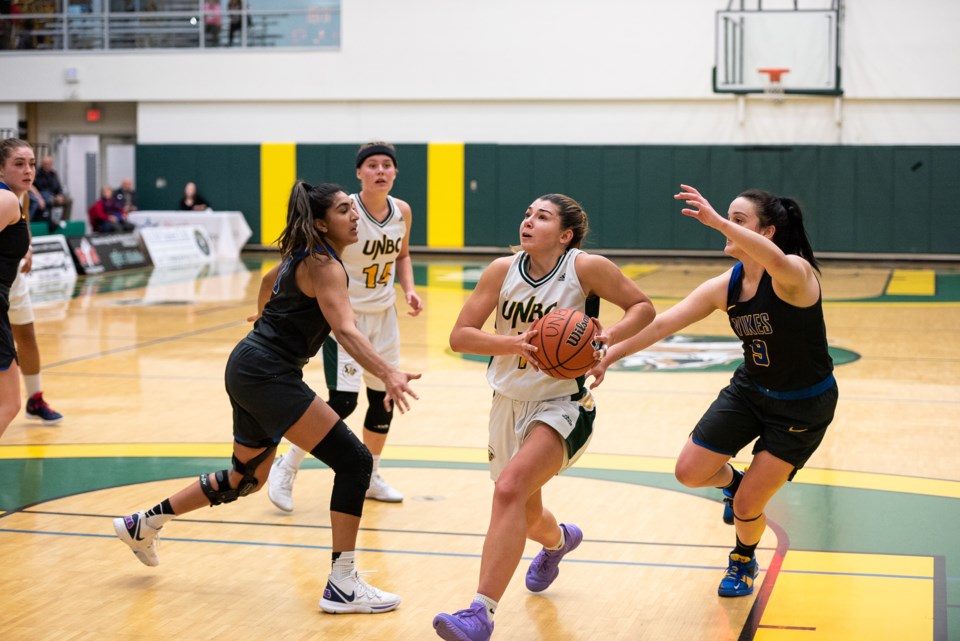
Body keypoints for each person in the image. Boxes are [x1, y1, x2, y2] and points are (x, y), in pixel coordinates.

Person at [114, 181, 420, 614]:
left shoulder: (303, 255)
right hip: (266, 372)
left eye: (352, 209)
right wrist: (388, 371)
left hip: (248, 366)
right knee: (355, 462)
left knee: (246, 479)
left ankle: (143, 523)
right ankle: (343, 583)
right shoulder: (325, 265)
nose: (354, 216)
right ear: (319, 222)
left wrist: (263, 312)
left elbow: (268, 279)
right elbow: (347, 330)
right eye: (342, 210)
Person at [589, 184, 837, 599]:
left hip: (801, 407)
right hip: (750, 391)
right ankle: (734, 481)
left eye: (738, 222)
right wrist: (609, 356)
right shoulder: (726, 285)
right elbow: (662, 325)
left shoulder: (795, 274)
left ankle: (743, 559)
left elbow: (775, 260)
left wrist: (716, 220)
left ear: (767, 232)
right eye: (727, 219)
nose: (726, 228)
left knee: (745, 509)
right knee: (689, 471)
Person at [432, 194, 655, 640]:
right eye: (528, 213)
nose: (528, 221)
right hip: (507, 401)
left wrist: (603, 340)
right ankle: (558, 542)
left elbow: (643, 308)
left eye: (542, 216)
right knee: (526, 512)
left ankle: (480, 613)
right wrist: (513, 343)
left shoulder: (585, 268)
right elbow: (460, 336)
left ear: (565, 234)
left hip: (563, 404)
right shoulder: (502, 270)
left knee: (509, 489)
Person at [268, 142, 423, 509]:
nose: (381, 171)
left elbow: (402, 254)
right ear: (359, 173)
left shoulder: (402, 211)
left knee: (384, 397)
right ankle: (287, 464)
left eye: (388, 165)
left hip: (384, 316)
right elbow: (303, 260)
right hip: (346, 319)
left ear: (396, 172)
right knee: (343, 400)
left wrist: (410, 289)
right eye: (372, 165)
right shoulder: (345, 212)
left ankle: (372, 475)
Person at [0, 139, 36, 438]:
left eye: (32, 163)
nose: (28, 170)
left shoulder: (16, 199)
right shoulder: (6, 200)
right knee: (9, 404)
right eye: (19, 163)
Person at [11, 227, 64, 425]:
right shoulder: (4, 198)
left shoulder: (20, 197)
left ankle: (35, 400)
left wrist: (28, 248)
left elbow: (24, 225)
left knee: (27, 336)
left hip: (14, 282)